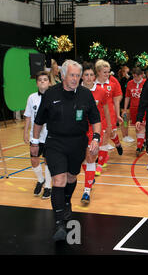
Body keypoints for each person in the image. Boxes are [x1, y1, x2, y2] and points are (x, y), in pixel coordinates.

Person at [33, 60, 101, 241]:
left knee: (71, 177)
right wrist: (34, 141)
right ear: (63, 75)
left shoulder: (86, 95)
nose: (75, 79)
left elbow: (95, 119)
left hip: (77, 143)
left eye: (78, 76)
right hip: (55, 142)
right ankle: (59, 223)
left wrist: (96, 138)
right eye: (72, 75)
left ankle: (67, 201)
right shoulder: (50, 94)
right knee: (59, 179)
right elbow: (39, 120)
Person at [80, 62, 112, 204]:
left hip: (94, 129)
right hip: (78, 130)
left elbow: (106, 110)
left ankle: (86, 191)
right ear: (82, 76)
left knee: (91, 157)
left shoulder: (101, 91)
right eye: (86, 75)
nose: (88, 77)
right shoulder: (75, 91)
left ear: (95, 76)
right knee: (83, 159)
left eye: (91, 75)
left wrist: (109, 126)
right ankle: (90, 177)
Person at [23, 71, 52, 199]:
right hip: (35, 136)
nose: (42, 81)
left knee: (47, 161)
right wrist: (25, 132)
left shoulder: (53, 97)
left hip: (49, 135)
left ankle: (48, 187)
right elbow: (28, 116)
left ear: (49, 82)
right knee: (34, 159)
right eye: (40, 80)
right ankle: (41, 180)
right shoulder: (32, 97)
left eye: (45, 79)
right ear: (36, 83)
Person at [94, 60, 123, 175]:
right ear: (98, 72)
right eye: (104, 72)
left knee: (105, 139)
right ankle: (117, 142)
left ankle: (100, 165)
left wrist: (118, 114)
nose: (107, 74)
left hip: (108, 115)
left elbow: (116, 99)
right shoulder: (92, 83)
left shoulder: (112, 82)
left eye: (108, 72)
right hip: (96, 115)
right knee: (100, 139)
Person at [123, 67, 147, 156]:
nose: (135, 78)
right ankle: (141, 143)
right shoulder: (129, 83)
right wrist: (125, 109)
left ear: (141, 75)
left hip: (144, 109)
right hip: (133, 108)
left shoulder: (146, 83)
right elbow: (127, 97)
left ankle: (139, 145)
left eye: (137, 76)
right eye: (134, 76)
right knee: (138, 127)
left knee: (142, 126)